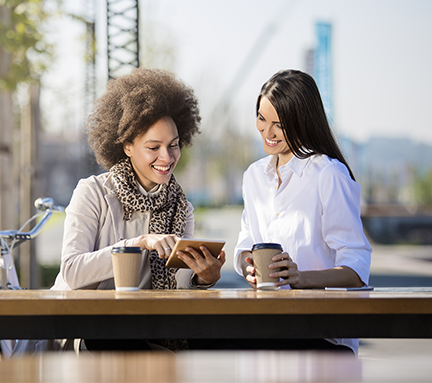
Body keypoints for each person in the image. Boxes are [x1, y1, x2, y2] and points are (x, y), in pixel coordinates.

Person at [14, 68, 225, 354]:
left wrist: (204, 278)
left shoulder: (181, 208)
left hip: (140, 330)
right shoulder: (93, 193)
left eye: (173, 145)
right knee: (117, 340)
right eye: (154, 147)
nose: (167, 157)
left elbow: (179, 288)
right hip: (83, 329)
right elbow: (72, 272)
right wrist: (138, 243)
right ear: (127, 146)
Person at [233, 69, 372, 356]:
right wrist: (247, 264)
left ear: (302, 122)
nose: (267, 132)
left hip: (321, 332)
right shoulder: (254, 176)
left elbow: (356, 268)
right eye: (261, 118)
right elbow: (247, 239)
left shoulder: (328, 174)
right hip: (267, 323)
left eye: (278, 124)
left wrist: (301, 278)